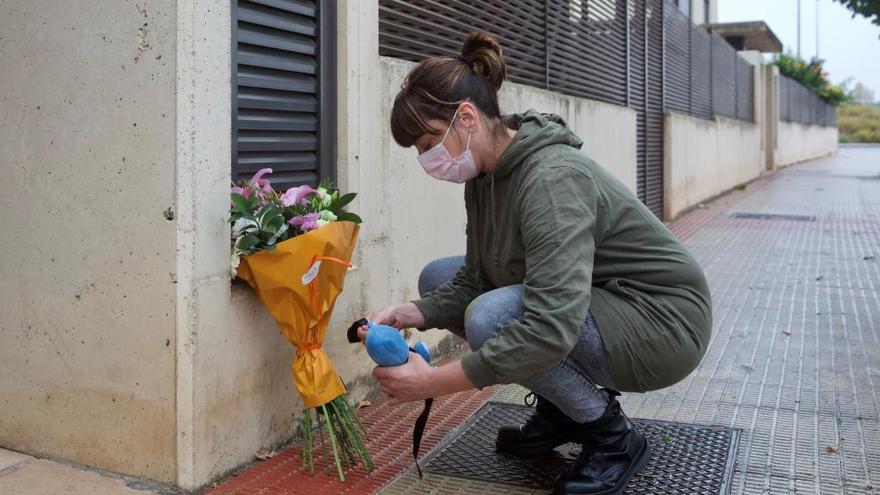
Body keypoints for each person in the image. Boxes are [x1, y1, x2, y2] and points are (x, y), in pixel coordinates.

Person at [356, 31, 712, 495]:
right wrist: (410, 313)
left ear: (465, 118)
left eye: (427, 143)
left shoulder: (550, 181)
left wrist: (434, 382)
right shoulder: (484, 176)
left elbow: (550, 327)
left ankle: (611, 437)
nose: (426, 159)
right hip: (603, 304)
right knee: (436, 280)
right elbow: (474, 277)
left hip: (662, 322)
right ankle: (560, 410)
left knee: (492, 317)